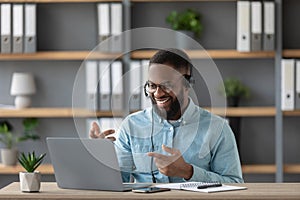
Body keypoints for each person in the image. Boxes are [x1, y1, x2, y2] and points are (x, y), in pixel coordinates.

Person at [90, 48, 244, 183]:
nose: (158, 93)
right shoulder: (132, 125)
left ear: (187, 84)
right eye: (152, 86)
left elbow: (235, 183)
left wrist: (188, 172)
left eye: (167, 86)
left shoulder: (217, 129)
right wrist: (101, 159)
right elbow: (118, 183)